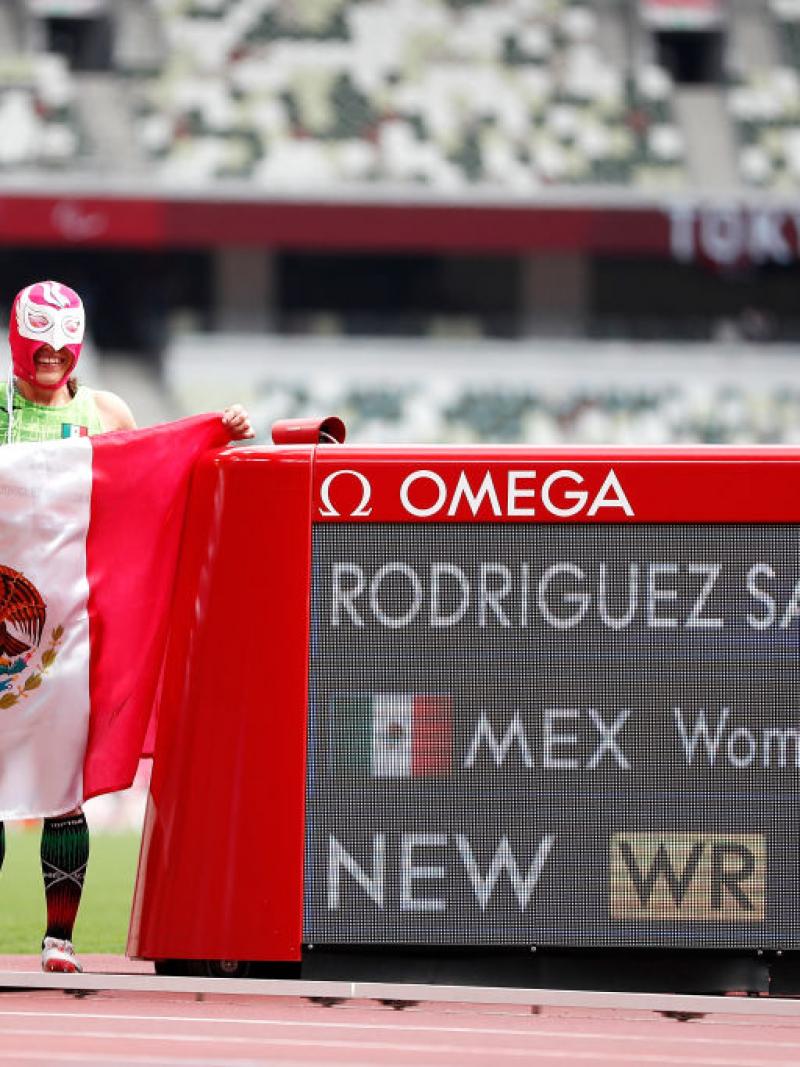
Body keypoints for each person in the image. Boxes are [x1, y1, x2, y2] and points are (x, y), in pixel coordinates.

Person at [0, 279, 254, 973]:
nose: (50, 357)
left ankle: (59, 939)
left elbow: (154, 479)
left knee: (63, 790)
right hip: (3, 622)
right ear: (19, 341)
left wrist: (214, 435)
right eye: (38, 344)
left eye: (61, 345)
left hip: (72, 632)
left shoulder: (105, 411)